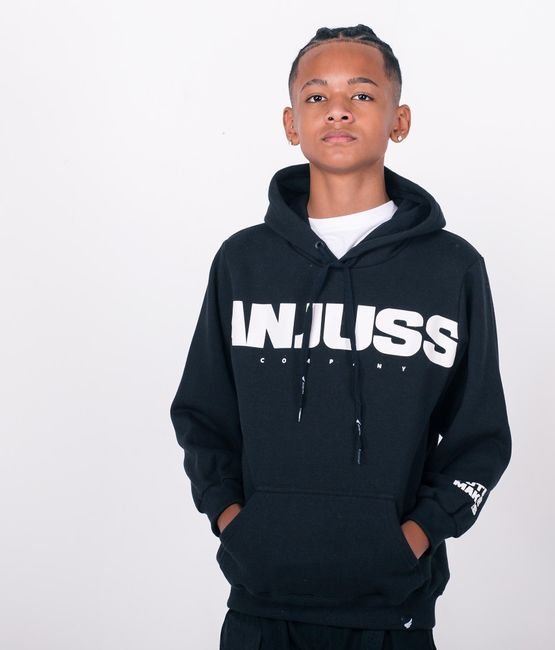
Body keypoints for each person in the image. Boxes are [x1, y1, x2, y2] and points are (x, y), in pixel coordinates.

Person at [170, 24, 512, 650]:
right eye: (316, 96)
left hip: (391, 611)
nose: (338, 110)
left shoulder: (451, 268)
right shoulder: (243, 262)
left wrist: (414, 536)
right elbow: (202, 414)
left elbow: (480, 437)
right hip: (260, 606)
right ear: (291, 123)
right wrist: (235, 521)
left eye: (361, 94)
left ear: (399, 120)